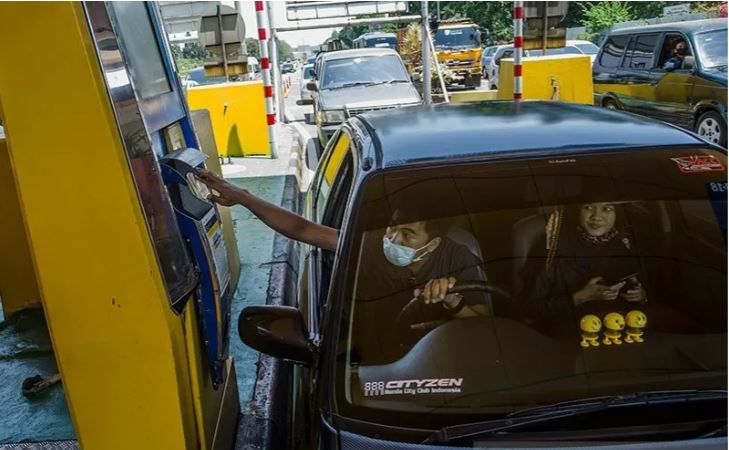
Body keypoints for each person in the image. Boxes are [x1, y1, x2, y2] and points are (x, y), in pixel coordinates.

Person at [195, 169, 490, 320]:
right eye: (392, 229)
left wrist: (452, 301)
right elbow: (301, 228)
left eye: (408, 235)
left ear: (435, 243)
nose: (393, 240)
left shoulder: (460, 259)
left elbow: (484, 323)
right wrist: (243, 197)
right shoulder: (369, 246)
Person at [521, 202, 647, 331]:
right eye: (588, 207)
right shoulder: (551, 250)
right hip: (568, 335)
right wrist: (580, 297)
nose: (597, 216)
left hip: (620, 330)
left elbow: (652, 293)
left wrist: (640, 295)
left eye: (607, 209)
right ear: (577, 211)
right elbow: (531, 310)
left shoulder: (625, 246)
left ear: (617, 214)